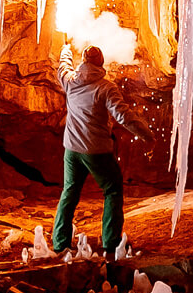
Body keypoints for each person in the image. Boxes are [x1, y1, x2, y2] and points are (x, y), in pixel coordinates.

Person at [52, 43, 152, 259]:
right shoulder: (106, 88)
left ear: (84, 62)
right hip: (96, 150)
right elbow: (123, 116)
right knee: (113, 190)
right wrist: (146, 135)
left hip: (71, 149)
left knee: (69, 191)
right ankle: (111, 242)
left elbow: (63, 66)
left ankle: (60, 243)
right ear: (101, 63)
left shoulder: (70, 81)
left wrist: (65, 49)